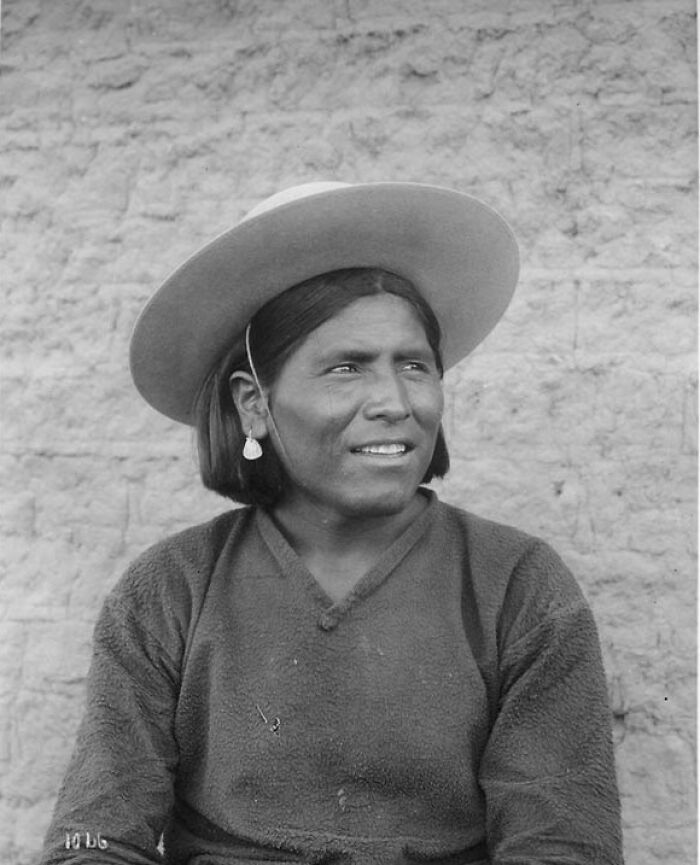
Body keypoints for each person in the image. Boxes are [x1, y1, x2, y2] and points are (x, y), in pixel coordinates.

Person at [39, 182, 624, 865]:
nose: (394, 401)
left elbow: (563, 845)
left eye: (414, 365)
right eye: (346, 368)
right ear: (254, 405)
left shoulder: (519, 587)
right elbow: (93, 838)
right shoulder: (169, 591)